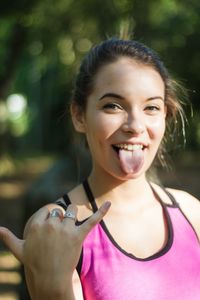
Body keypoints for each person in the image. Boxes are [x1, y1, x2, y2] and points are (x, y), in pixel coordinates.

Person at [0, 38, 200, 300]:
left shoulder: (191, 212)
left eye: (151, 107)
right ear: (79, 116)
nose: (135, 126)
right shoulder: (55, 227)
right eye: (113, 106)